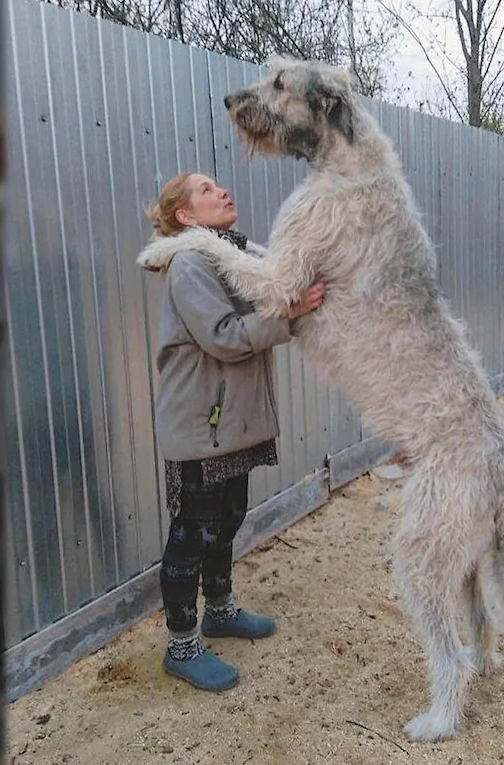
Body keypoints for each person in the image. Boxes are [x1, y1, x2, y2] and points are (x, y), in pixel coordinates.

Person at [139, 171, 325, 692]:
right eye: (206, 190)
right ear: (185, 216)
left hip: (231, 423)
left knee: (228, 518)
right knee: (192, 532)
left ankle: (219, 610)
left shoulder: (235, 257)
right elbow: (223, 336)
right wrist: (290, 313)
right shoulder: (191, 263)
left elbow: (275, 287)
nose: (221, 192)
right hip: (200, 424)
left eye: (219, 186)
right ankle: (181, 645)